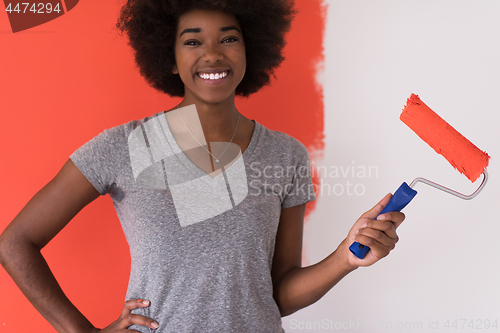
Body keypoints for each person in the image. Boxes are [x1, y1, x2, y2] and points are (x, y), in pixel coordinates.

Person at [0, 0, 405, 332]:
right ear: (170, 59)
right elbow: (14, 243)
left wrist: (344, 259)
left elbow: (275, 295)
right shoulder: (123, 147)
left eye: (229, 39)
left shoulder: (286, 155)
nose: (213, 54)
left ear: (250, 50)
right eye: (192, 42)